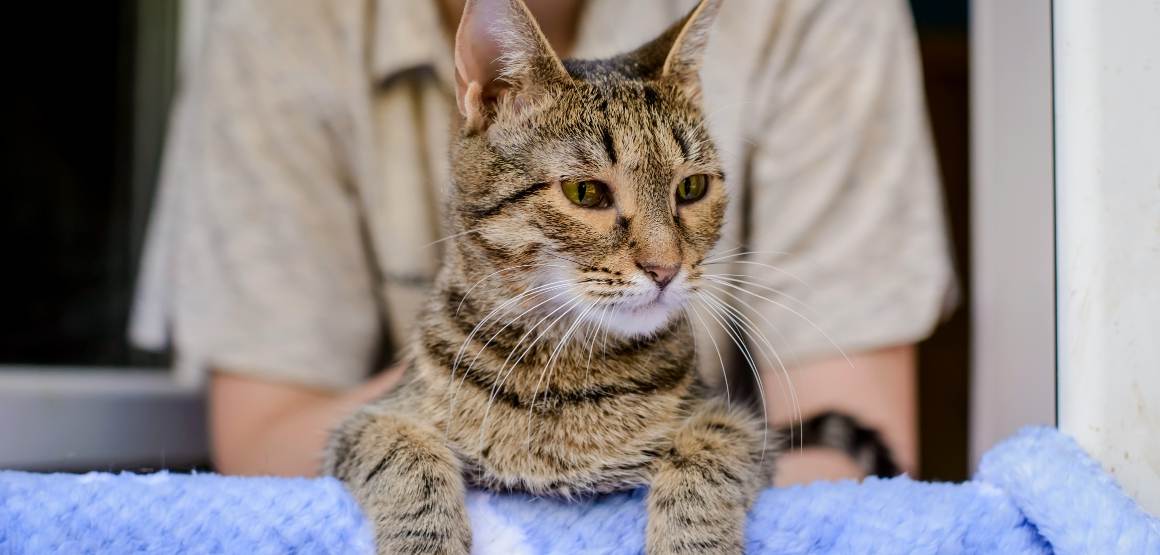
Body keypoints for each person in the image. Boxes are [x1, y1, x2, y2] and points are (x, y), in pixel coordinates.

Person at [132, 0, 955, 483]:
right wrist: (492, 379)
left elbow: (850, 439)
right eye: (592, 193)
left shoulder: (816, 13)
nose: (662, 255)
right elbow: (263, 446)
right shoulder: (273, 25)